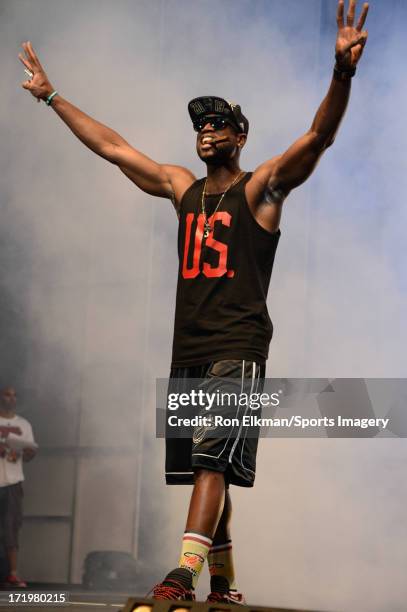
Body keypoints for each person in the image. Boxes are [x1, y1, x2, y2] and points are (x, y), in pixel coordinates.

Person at [18, 0, 369, 602]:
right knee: (214, 468)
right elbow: (111, 146)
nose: (206, 130)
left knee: (211, 462)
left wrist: (342, 73)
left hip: (238, 346)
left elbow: (318, 137)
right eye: (200, 124)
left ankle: (183, 575)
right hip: (189, 350)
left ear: (240, 134)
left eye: (218, 123)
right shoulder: (180, 186)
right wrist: (53, 98)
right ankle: (225, 584)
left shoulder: (260, 190)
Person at [0, 387, 37, 588]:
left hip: (13, 482)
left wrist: (29, 452)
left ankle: (13, 573)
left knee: (11, 527)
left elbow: (30, 453)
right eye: (7, 394)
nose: (11, 398)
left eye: (14, 395)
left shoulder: (24, 424)